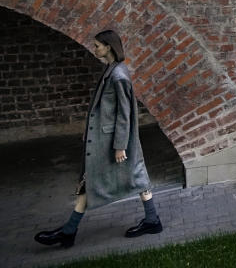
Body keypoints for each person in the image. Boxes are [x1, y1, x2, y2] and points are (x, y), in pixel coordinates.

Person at [34, 30, 161, 248]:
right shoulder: (111, 70)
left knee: (108, 178)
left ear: (108, 47)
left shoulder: (119, 75)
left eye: (97, 46)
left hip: (111, 142)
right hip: (103, 139)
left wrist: (120, 146)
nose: (95, 49)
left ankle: (69, 232)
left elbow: (124, 113)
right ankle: (151, 220)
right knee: (128, 176)